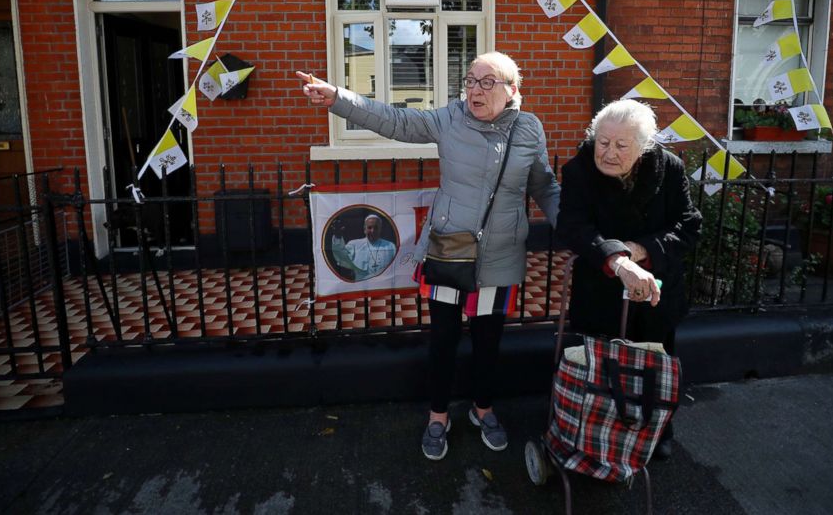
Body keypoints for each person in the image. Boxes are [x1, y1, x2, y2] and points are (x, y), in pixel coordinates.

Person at [298, 52, 560, 461]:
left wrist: (578, 232)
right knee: (444, 339)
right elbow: (395, 121)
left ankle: (483, 409)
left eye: (487, 82)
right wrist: (337, 98)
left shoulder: (528, 129)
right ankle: (438, 417)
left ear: (512, 90)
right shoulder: (450, 119)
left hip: (500, 255)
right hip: (449, 251)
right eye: (471, 80)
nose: (474, 89)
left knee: (488, 342)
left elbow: (545, 186)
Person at [555, 98, 701, 459]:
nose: (608, 153)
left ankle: (655, 430)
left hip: (657, 289)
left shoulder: (670, 168)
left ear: (644, 145)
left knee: (653, 361)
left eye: (621, 146)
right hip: (600, 287)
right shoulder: (579, 171)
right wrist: (617, 260)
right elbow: (573, 227)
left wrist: (639, 250)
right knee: (599, 364)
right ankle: (593, 431)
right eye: (602, 142)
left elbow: (688, 225)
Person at [331, 214, 397, 281]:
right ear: (364, 229)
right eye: (369, 227)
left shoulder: (390, 246)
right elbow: (341, 257)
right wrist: (337, 237)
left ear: (380, 229)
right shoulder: (354, 245)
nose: (372, 231)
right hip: (361, 287)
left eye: (376, 227)